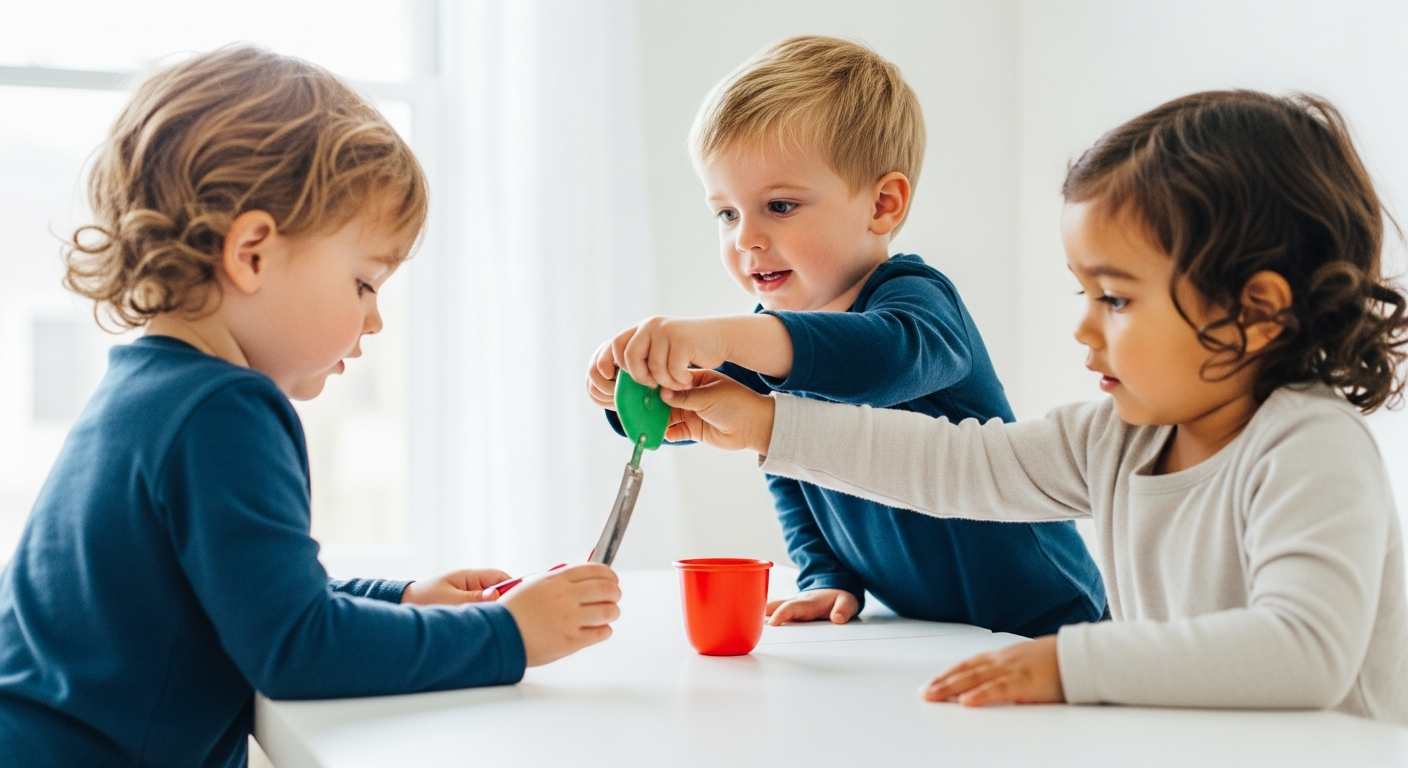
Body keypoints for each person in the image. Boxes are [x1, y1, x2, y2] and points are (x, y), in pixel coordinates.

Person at [659, 89, 1408, 723]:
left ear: (1257, 311)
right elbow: (953, 466)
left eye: (1114, 298)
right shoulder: (1115, 440)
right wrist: (761, 423)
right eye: (1084, 294)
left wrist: (1068, 663)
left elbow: (1303, 652)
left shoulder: (1310, 447)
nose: (1084, 326)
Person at [0, 46, 621, 767]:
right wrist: (508, 635)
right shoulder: (224, 410)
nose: (376, 321)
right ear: (253, 253)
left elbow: (254, 591)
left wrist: (404, 599)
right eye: (364, 283)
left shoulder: (146, 386)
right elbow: (295, 647)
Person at [588, 35, 1105, 635]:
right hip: (930, 634)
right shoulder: (766, 343)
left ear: (882, 205)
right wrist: (637, 390)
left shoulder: (916, 300)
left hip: (1051, 617)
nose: (744, 239)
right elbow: (783, 461)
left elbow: (880, 362)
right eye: (726, 213)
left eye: (779, 206)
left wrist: (721, 339)